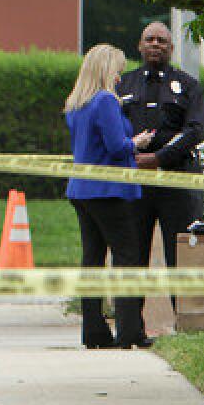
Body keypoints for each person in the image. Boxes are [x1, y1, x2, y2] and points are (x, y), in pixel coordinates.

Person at [65, 45, 154, 349]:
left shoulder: (77, 102)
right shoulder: (104, 101)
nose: (119, 77)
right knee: (128, 256)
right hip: (108, 189)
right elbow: (116, 146)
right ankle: (129, 331)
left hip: (82, 189)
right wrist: (136, 142)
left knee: (92, 258)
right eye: (117, 69)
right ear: (106, 69)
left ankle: (93, 331)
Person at [116, 23, 204, 294]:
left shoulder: (188, 85)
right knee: (133, 255)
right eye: (150, 40)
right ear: (140, 46)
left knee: (178, 255)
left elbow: (195, 129)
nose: (155, 44)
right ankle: (131, 329)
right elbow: (112, 129)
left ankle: (182, 324)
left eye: (162, 41)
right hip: (134, 182)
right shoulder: (124, 84)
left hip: (175, 180)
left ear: (171, 48)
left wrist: (159, 158)